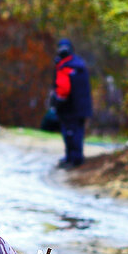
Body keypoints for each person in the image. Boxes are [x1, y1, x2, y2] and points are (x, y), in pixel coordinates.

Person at [50, 38, 93, 168]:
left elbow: (63, 90)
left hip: (70, 108)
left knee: (70, 133)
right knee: (75, 132)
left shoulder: (66, 67)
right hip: (81, 107)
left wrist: (56, 103)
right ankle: (73, 157)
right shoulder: (78, 64)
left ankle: (74, 159)